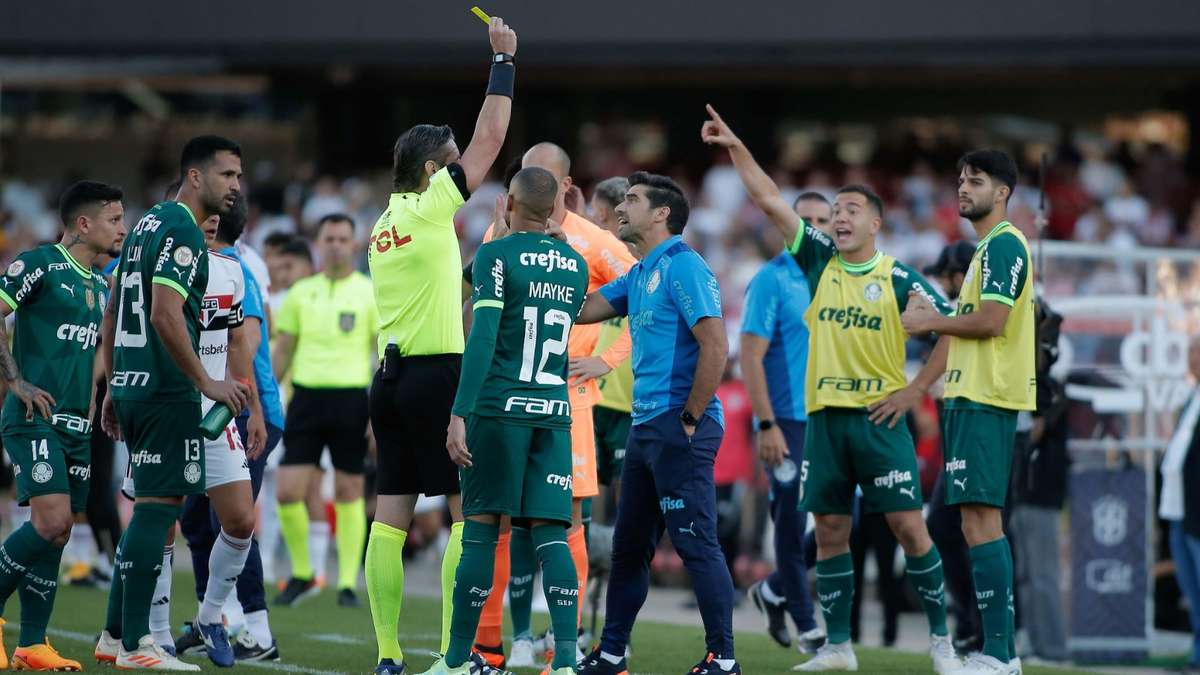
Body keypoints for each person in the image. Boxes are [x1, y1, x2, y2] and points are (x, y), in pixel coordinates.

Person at [701, 105, 959, 674]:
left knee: (910, 529)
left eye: (851, 211)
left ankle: (943, 644)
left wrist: (915, 391)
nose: (839, 218)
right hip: (823, 421)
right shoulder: (817, 261)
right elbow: (770, 199)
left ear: (875, 225)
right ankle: (838, 647)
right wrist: (736, 145)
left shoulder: (898, 278)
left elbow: (951, 331)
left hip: (879, 421)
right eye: (835, 211)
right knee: (834, 532)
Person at [364, 15, 517, 675]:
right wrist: (504, 61)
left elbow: (437, 289)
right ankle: (457, 655)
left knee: (390, 517)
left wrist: (486, 252)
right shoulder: (430, 206)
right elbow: (490, 136)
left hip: (389, 379)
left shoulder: (385, 224)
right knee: (470, 513)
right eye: (452, 163)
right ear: (432, 169)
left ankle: (389, 654)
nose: (465, 169)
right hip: (437, 377)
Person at [420, 166, 589, 675]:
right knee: (552, 535)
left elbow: (483, 337)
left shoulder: (496, 253)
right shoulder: (575, 263)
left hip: (499, 408)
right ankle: (564, 662)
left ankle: (454, 661)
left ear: (510, 202)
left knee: (480, 531)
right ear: (555, 209)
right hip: (554, 413)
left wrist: (458, 412)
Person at [476, 144, 636, 670]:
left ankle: (561, 647)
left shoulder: (594, 243)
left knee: (565, 519)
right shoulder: (499, 234)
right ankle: (508, 638)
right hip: (507, 397)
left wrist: (607, 360)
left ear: (567, 187)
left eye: (541, 176)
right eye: (524, 174)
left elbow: (648, 292)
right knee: (507, 517)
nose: (529, 183)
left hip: (569, 400)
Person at [575, 172, 741, 675]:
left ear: (662, 213)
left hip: (677, 427)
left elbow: (716, 345)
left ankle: (724, 658)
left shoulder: (684, 267)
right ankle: (610, 655)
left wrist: (689, 418)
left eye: (631, 200)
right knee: (629, 551)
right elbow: (586, 310)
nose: (620, 208)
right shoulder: (642, 271)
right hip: (645, 427)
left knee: (695, 543)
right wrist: (553, 260)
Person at [97, 135, 251, 671]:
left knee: (154, 512)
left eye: (238, 176)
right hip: (166, 392)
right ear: (194, 176)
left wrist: (117, 384)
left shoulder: (144, 224)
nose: (236, 186)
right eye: (227, 175)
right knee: (156, 514)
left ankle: (116, 634)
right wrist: (207, 384)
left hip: (138, 385)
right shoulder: (183, 228)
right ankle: (141, 643)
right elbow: (164, 313)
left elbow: (119, 307)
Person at [900, 150, 1036, 675]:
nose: (963, 189)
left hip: (987, 397)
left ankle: (1001, 653)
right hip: (967, 397)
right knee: (973, 523)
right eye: (960, 180)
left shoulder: (1004, 245)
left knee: (984, 521)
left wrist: (933, 320)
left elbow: (993, 322)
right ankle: (994, 649)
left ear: (1001, 192)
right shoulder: (986, 250)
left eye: (974, 181)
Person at [0, 181, 125, 671]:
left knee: (57, 533)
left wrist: (102, 390)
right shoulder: (38, 265)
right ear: (84, 223)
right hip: (34, 418)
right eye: (115, 220)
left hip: (77, 426)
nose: (122, 228)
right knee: (51, 522)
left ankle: (33, 644)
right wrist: (16, 382)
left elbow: (94, 348)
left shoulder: (98, 282)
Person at [174, 195, 286, 662]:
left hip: (238, 402)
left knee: (231, 517)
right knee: (198, 522)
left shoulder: (238, 265)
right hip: (216, 398)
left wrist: (251, 407)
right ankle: (213, 619)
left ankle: (256, 628)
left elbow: (252, 336)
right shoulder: (217, 261)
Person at [741, 192, 832, 654]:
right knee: (792, 525)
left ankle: (774, 589)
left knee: (846, 517)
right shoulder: (771, 280)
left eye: (824, 220)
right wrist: (766, 424)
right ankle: (808, 626)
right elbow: (751, 357)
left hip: (829, 419)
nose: (815, 228)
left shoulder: (835, 277)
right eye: (806, 220)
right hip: (788, 422)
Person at [272, 214, 377, 608]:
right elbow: (283, 350)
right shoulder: (302, 292)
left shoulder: (369, 292)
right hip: (305, 398)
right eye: (328, 237)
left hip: (351, 400)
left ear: (353, 244)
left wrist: (376, 412)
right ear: (318, 243)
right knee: (287, 491)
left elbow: (381, 355)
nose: (335, 244)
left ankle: (347, 582)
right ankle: (303, 573)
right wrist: (265, 397)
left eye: (342, 238)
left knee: (350, 491)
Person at [1161, 337, 1200, 674]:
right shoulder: (1191, 398)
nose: (1192, 358)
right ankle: (1196, 655)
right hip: (1178, 508)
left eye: (1197, 351)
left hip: (1196, 511)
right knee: (1191, 587)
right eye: (1190, 351)